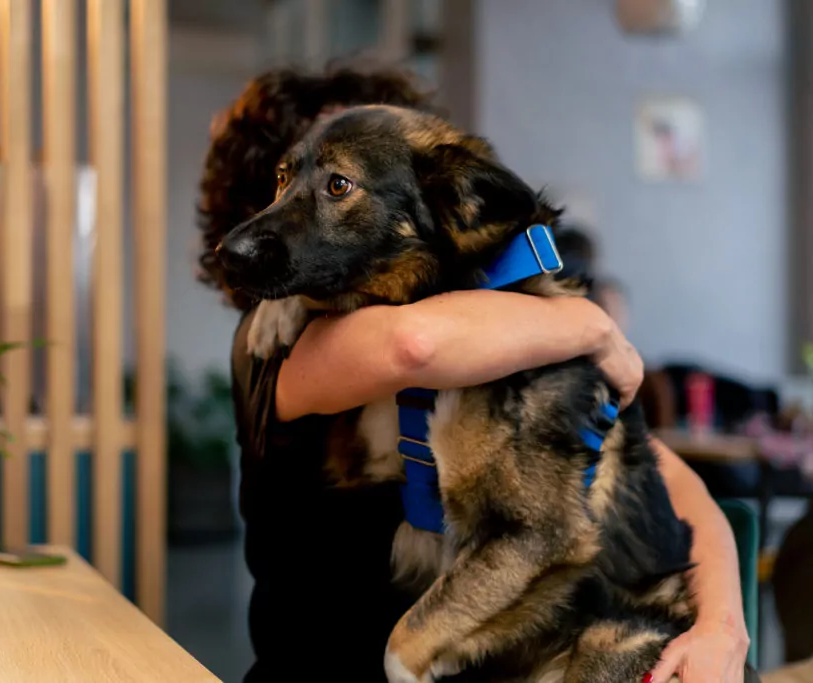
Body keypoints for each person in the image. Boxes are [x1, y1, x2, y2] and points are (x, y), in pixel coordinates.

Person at [197, 66, 751, 683]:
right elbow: (413, 345)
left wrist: (723, 625)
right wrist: (588, 325)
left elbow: (682, 492)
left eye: (341, 183)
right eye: (293, 177)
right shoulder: (269, 342)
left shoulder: (496, 342)